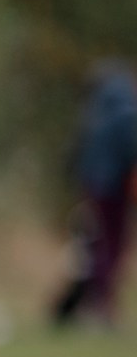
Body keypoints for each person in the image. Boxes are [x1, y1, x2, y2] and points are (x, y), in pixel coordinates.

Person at [51, 62, 137, 329]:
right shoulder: (127, 113)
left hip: (89, 187)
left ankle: (87, 307)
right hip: (113, 190)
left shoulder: (93, 114)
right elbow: (131, 152)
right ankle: (102, 308)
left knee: (93, 246)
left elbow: (76, 152)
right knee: (112, 245)